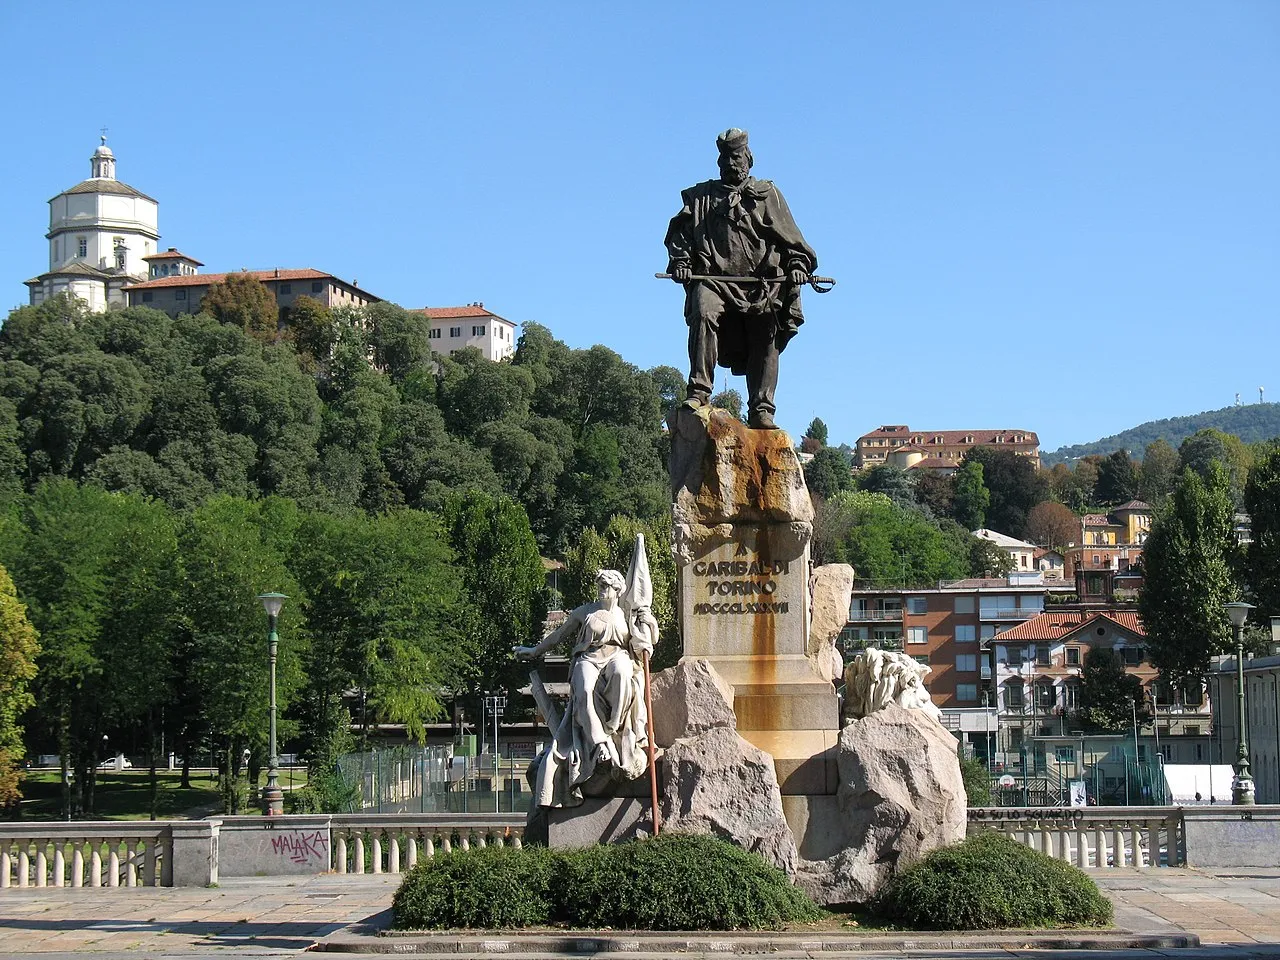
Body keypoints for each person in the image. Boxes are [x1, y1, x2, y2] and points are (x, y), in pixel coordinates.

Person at [665, 128, 819, 430]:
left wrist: (798, 264)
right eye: (724, 159)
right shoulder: (701, 197)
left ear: (748, 159)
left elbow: (793, 240)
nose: (730, 164)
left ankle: (762, 408)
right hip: (714, 280)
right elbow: (680, 235)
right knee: (704, 309)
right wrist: (682, 262)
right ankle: (699, 392)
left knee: (768, 329)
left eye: (736, 158)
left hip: (762, 285)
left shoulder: (767, 194)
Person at [515, 569, 656, 808]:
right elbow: (559, 635)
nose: (602, 590)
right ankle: (600, 742)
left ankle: (613, 725)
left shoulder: (625, 615)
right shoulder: (585, 612)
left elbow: (643, 642)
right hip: (588, 658)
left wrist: (646, 622)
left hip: (616, 656)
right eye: (600, 586)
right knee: (583, 691)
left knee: (623, 672)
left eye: (607, 586)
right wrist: (535, 651)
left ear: (618, 590)